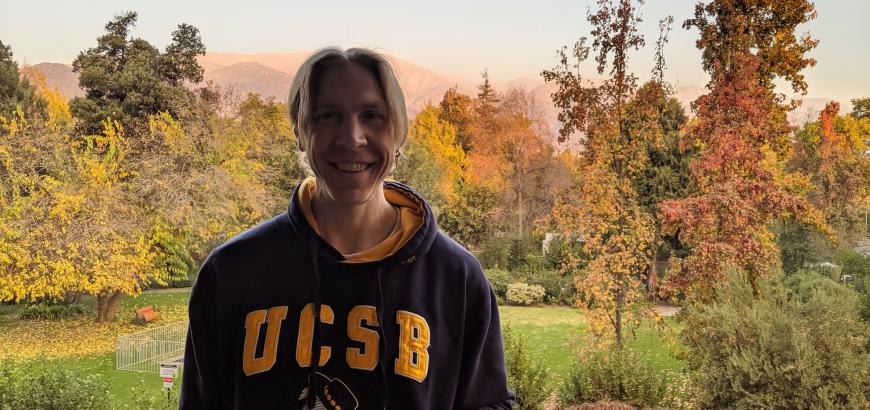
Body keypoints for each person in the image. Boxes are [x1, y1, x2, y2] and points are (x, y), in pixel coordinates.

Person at [179, 47, 515, 409]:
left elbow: (488, 402)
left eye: (373, 116)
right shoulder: (230, 273)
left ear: (398, 134)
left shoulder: (456, 278)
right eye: (327, 116)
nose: (352, 138)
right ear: (300, 132)